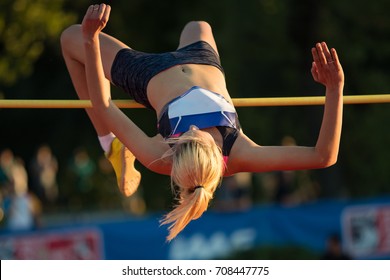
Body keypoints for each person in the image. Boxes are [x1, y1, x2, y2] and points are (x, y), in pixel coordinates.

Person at [60, 3, 344, 241]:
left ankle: (111, 147)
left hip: (146, 74)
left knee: (70, 37)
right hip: (202, 59)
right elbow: (323, 156)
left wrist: (91, 39)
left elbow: (104, 106)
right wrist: (334, 89)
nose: (193, 128)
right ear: (216, 155)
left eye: (185, 136)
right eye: (197, 135)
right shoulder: (241, 153)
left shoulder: (159, 157)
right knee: (199, 24)